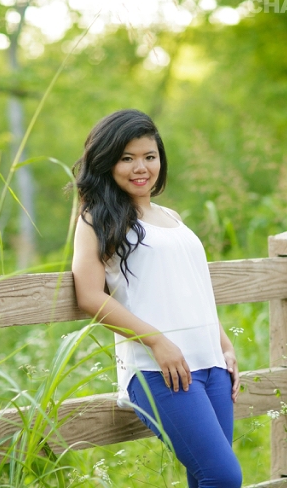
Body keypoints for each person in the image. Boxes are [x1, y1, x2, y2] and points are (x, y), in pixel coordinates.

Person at [70, 109, 243, 488]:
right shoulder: (97, 220)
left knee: (206, 478)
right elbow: (88, 295)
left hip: (210, 363)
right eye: (127, 158)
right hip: (157, 368)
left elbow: (191, 288)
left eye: (149, 156)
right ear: (107, 163)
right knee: (224, 477)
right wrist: (156, 340)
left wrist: (223, 343)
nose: (140, 167)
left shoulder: (171, 216)